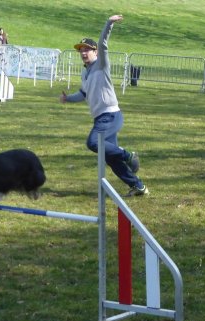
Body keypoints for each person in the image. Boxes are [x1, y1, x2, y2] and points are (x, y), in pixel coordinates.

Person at [60, 15, 148, 197]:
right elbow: (83, 94)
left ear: (96, 52)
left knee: (93, 143)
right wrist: (68, 99)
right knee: (111, 158)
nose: (83, 53)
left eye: (87, 50)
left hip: (111, 116)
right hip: (101, 118)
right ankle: (139, 187)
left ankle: (128, 155)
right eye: (81, 50)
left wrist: (109, 23)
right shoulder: (85, 74)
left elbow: (103, 43)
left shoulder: (101, 65)